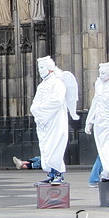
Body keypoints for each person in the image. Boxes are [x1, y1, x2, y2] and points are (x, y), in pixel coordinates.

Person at [30, 56, 79, 185]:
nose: (40, 71)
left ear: (50, 69)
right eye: (39, 68)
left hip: (54, 121)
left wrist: (41, 111)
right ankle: (51, 174)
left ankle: (58, 173)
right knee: (46, 147)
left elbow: (57, 101)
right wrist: (35, 110)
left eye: (42, 68)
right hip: (43, 122)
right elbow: (35, 101)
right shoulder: (42, 85)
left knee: (55, 147)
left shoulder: (58, 83)